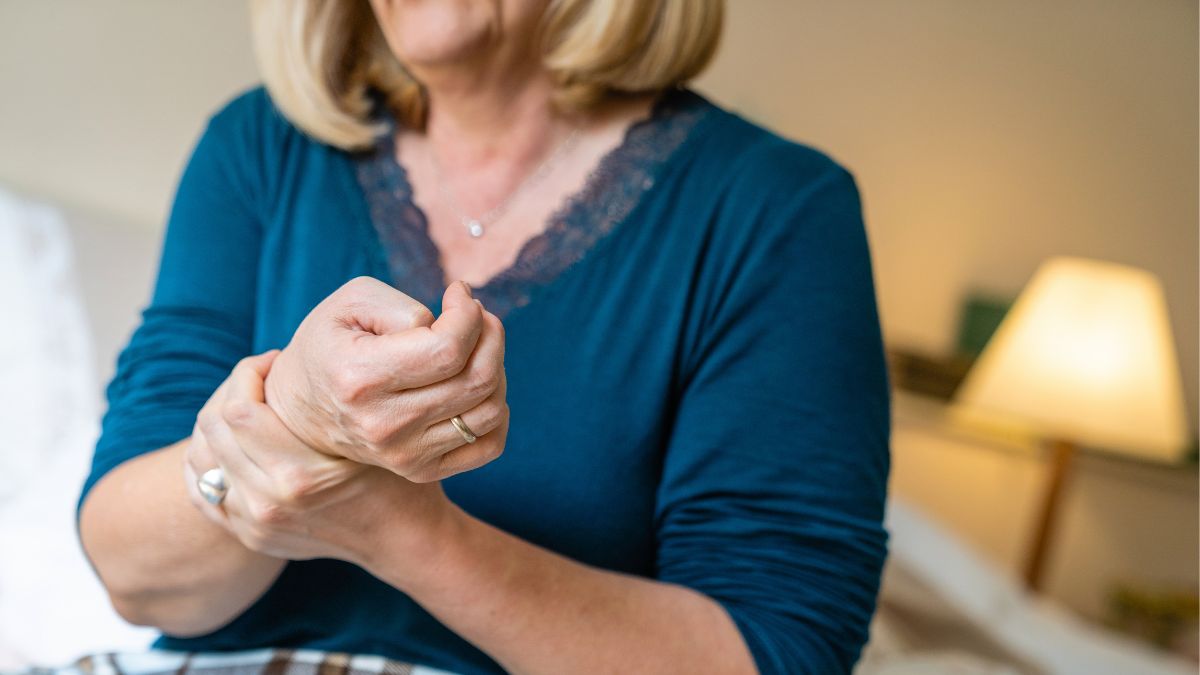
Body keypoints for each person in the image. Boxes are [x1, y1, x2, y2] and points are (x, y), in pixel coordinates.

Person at [78, 1, 892, 673]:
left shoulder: (776, 210)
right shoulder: (260, 146)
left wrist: (405, 530)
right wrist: (296, 423)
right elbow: (131, 573)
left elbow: (777, 650)